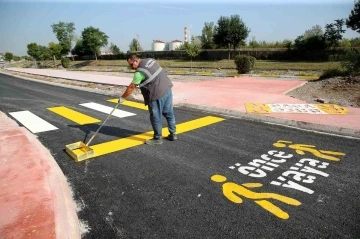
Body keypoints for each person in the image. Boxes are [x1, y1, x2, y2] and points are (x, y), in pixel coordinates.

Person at [118, 54, 177, 145]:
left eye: (131, 65)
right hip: (167, 89)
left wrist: (123, 98)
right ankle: (173, 134)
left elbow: (131, 87)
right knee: (169, 113)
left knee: (155, 116)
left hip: (156, 94)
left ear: (136, 61)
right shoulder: (150, 60)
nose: (131, 67)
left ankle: (157, 138)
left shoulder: (139, 73)